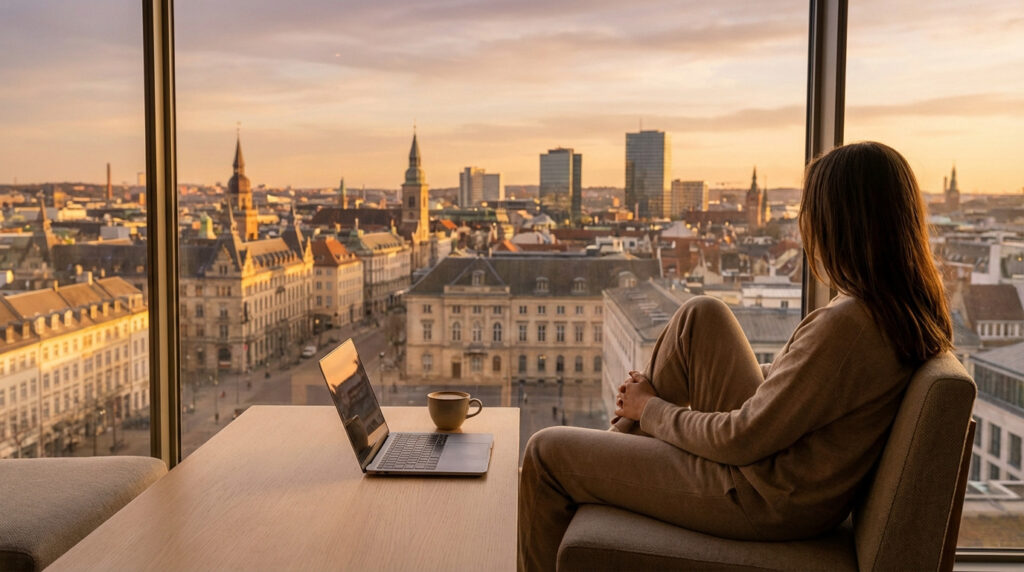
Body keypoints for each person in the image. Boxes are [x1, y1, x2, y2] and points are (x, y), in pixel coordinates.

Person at [518, 142, 954, 572]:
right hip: (781, 480)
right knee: (700, 314)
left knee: (544, 453)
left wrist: (648, 409)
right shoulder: (891, 309)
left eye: (811, 214)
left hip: (758, 494)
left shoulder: (851, 324)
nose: (804, 226)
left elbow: (742, 437)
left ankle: (611, 453)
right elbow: (808, 393)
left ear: (839, 225)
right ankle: (616, 451)